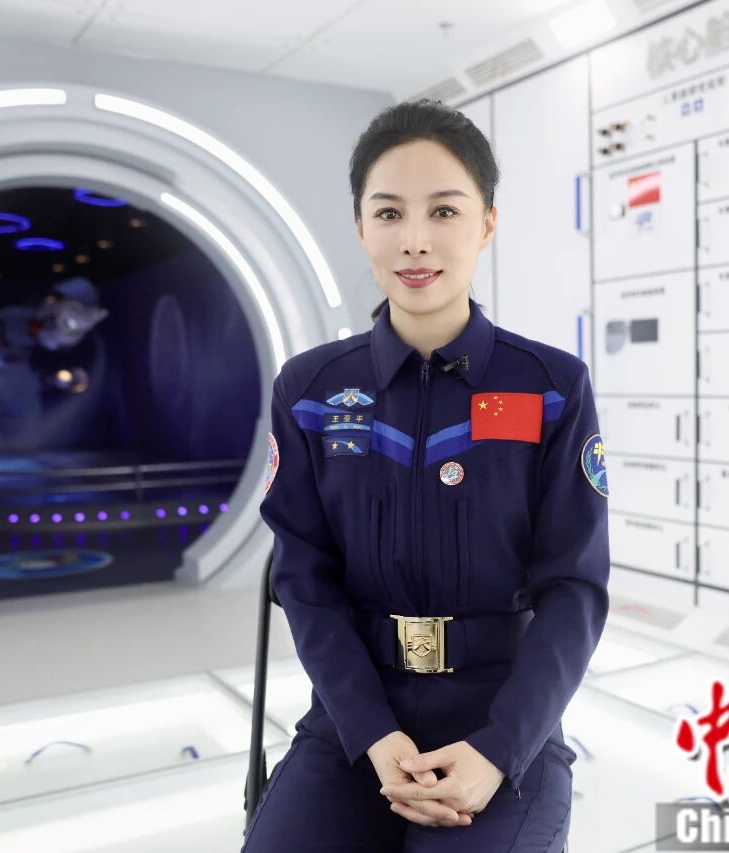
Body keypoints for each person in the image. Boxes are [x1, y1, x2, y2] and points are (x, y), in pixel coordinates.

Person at [243, 98, 610, 852]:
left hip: (502, 721)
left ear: (487, 223)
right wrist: (372, 733)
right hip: (355, 721)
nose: (415, 240)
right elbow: (305, 579)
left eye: (444, 211)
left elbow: (574, 588)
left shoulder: (551, 387)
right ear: (360, 227)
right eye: (389, 213)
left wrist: (499, 749)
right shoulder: (310, 391)